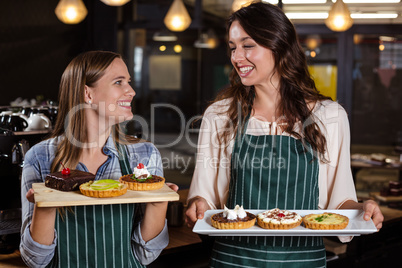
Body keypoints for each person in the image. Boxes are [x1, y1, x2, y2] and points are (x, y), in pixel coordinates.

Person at [185, 2, 384, 267]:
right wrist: (197, 204)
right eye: (233, 48)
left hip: (303, 260)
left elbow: (339, 204)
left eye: (247, 45)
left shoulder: (330, 116)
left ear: (279, 45)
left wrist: (364, 209)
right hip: (235, 259)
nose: (236, 57)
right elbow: (205, 197)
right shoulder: (220, 116)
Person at [20, 51, 178, 268]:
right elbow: (35, 261)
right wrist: (46, 205)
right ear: (88, 94)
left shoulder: (143, 155)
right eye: (118, 82)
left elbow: (145, 255)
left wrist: (158, 203)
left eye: (129, 82)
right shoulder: (40, 157)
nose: (131, 91)